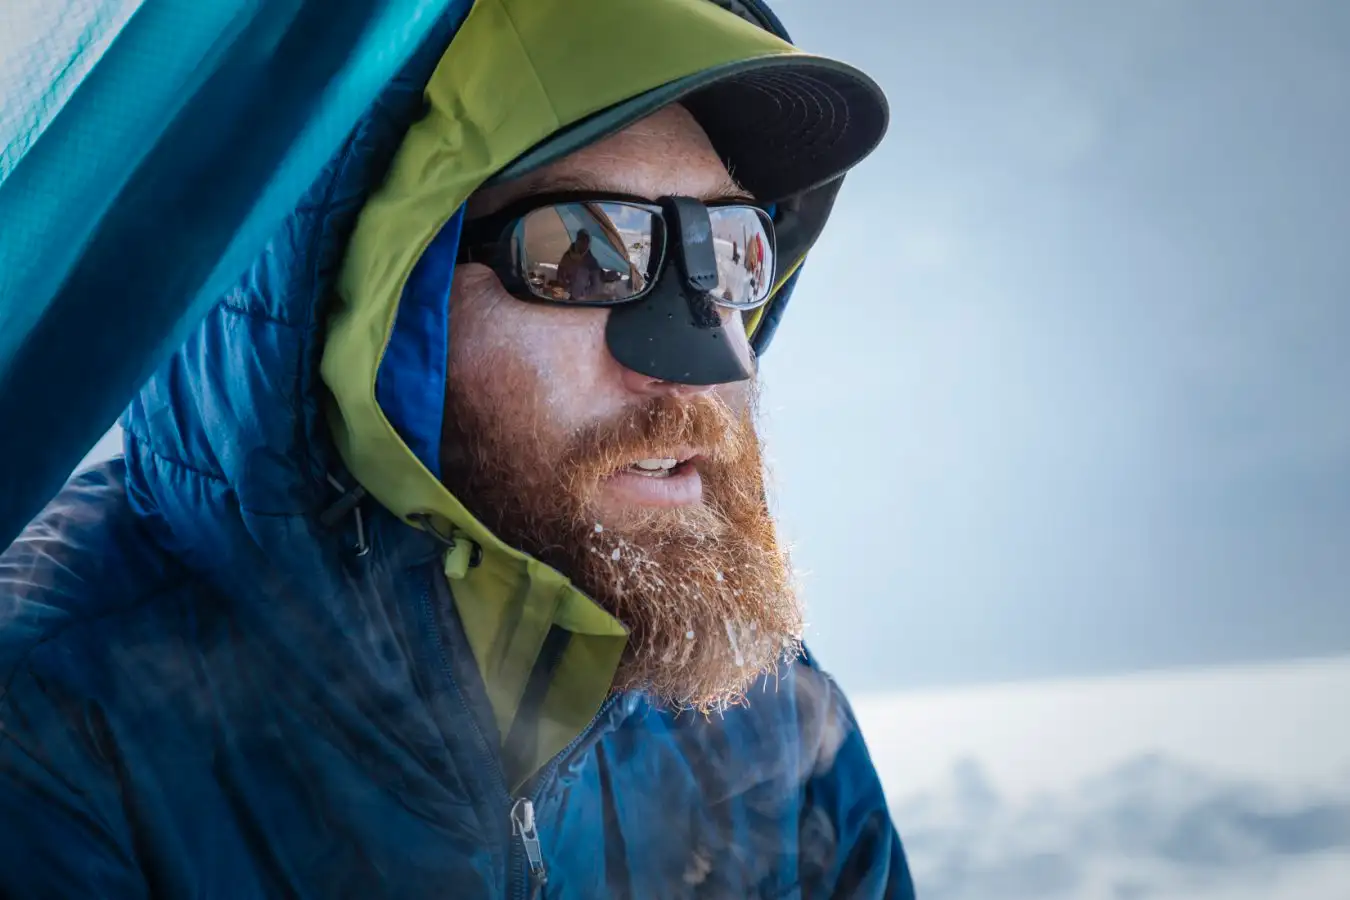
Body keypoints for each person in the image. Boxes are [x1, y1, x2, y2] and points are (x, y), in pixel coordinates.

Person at [0, 1, 910, 897]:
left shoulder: (765, 726)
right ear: (371, 294)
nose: (703, 361)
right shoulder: (46, 726)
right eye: (587, 251)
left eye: (732, 247)